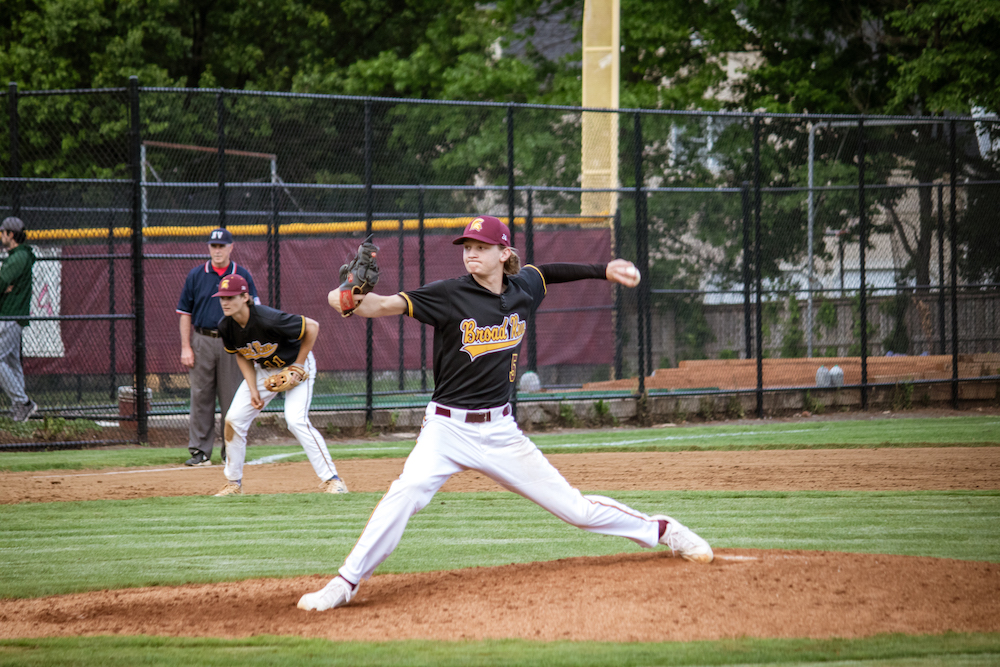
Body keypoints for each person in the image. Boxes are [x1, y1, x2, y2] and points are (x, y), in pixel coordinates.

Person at [297, 215, 713, 612]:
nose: (471, 253)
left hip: (500, 431)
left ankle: (662, 530)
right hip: (445, 427)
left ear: (502, 252)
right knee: (404, 494)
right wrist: (345, 296)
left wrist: (603, 270)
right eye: (467, 246)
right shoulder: (449, 293)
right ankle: (344, 583)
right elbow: (380, 305)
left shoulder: (522, 288)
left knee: (576, 510)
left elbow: (549, 271)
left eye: (480, 247)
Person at [210, 273, 348, 496]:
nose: (225, 302)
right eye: (222, 297)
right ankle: (233, 483)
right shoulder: (226, 326)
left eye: (230, 297)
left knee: (295, 420)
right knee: (233, 420)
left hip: (296, 366)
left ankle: (333, 480)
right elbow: (241, 354)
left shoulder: (267, 318)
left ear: (245, 297)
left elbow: (312, 327)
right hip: (264, 371)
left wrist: (299, 366)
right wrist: (253, 388)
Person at [176, 228, 259, 466]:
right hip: (202, 338)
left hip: (232, 341)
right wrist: (186, 347)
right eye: (214, 246)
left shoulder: (241, 275)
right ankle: (200, 452)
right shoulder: (196, 275)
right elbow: (185, 313)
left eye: (222, 246)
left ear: (231, 247)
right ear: (209, 248)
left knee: (232, 398)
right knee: (201, 397)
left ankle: (230, 452)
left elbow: (253, 311)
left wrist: (249, 345)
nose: (218, 250)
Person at [0, 216, 38, 422]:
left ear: (11, 234)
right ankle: (19, 408)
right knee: (12, 362)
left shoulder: (18, 257)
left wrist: (4, 288)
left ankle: (23, 403)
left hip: (10, 315)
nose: (1, 236)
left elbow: (1, 281)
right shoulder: (17, 255)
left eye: (3, 232)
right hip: (12, 315)